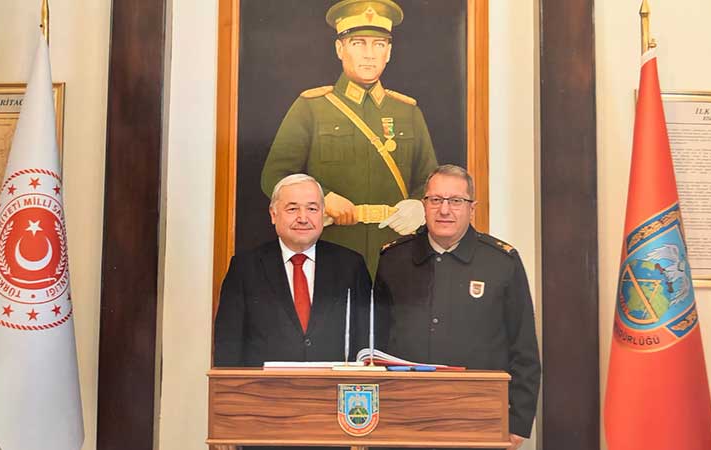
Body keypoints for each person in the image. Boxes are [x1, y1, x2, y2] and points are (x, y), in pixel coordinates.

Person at [260, 0, 439, 277]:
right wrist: (324, 198)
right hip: (332, 249)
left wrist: (419, 205)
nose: (369, 54)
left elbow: (430, 181)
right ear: (339, 49)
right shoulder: (312, 107)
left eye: (379, 44)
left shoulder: (407, 111)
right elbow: (274, 176)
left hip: (396, 251)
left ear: (389, 52)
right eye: (358, 43)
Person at [374, 165, 541, 450]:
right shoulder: (393, 260)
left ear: (472, 208)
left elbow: (524, 348)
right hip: (404, 415)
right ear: (424, 205)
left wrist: (518, 421)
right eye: (435, 200)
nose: (444, 210)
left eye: (455, 201)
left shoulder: (501, 262)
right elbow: (376, 342)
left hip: (479, 415)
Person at [214, 173, 372, 367]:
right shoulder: (245, 267)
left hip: (333, 384)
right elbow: (228, 344)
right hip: (265, 385)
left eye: (312, 209)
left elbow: (366, 342)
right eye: (292, 209)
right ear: (273, 214)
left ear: (322, 213)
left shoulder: (351, 265)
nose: (303, 218)